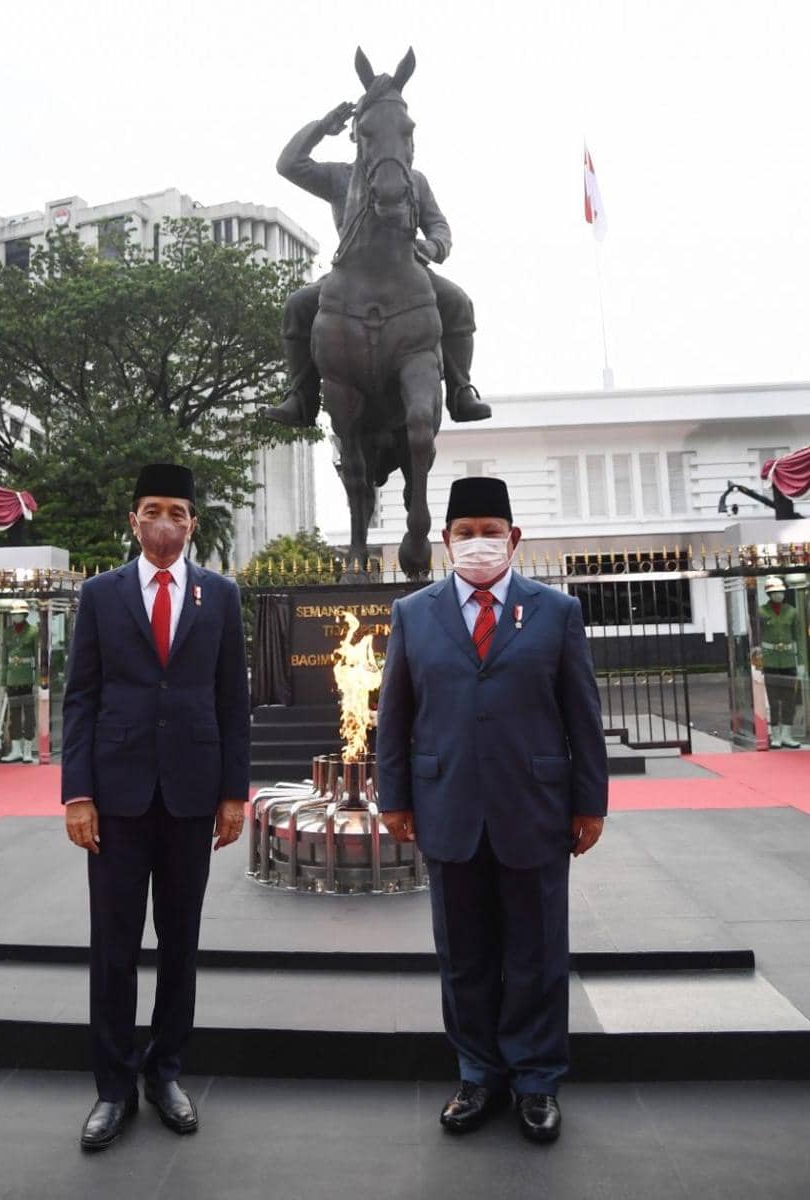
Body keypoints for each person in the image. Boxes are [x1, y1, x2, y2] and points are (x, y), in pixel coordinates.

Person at [376, 477, 608, 1144]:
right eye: (464, 532)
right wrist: (394, 797)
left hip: (534, 807)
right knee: (465, 954)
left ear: (515, 538)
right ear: (445, 543)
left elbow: (581, 717)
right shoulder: (414, 613)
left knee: (537, 952)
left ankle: (536, 1081)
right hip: (447, 806)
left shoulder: (555, 611)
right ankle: (478, 1074)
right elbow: (395, 716)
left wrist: (589, 802)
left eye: (489, 530)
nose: (477, 542)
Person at [62, 463, 250, 1152]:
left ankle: (165, 1072)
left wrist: (235, 794)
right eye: (151, 509)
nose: (163, 520)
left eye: (176, 510)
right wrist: (77, 792)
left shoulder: (220, 596)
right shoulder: (101, 595)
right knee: (113, 947)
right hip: (115, 797)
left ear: (192, 522)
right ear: (134, 519)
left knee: (179, 943)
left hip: (194, 794)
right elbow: (80, 697)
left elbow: (233, 700)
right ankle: (111, 1088)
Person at [263, 100, 490, 428]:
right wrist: (321, 127)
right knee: (298, 305)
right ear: (360, 138)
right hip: (349, 276)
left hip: (409, 272)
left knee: (457, 301)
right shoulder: (338, 177)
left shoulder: (416, 181)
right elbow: (289, 164)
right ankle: (301, 396)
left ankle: (460, 390)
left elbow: (439, 227)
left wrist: (433, 247)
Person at [759, 576, 802, 748]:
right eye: (775, 592)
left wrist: (801, 661)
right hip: (769, 660)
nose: (779, 595)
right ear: (769, 594)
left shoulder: (792, 611)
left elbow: (798, 636)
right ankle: (775, 735)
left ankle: (787, 735)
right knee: (773, 699)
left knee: (789, 699)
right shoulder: (761, 612)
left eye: (781, 592)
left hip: (789, 661)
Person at [0, 601, 38, 763]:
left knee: (29, 716)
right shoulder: (7, 633)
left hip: (27, 679)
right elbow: (4, 659)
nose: (16, 616)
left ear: (25, 615)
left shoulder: (33, 632)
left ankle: (28, 750)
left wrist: (37, 682)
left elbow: (38, 656)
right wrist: (3, 681)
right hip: (12, 679)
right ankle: (16, 750)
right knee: (13, 716)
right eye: (14, 614)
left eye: (19, 614)